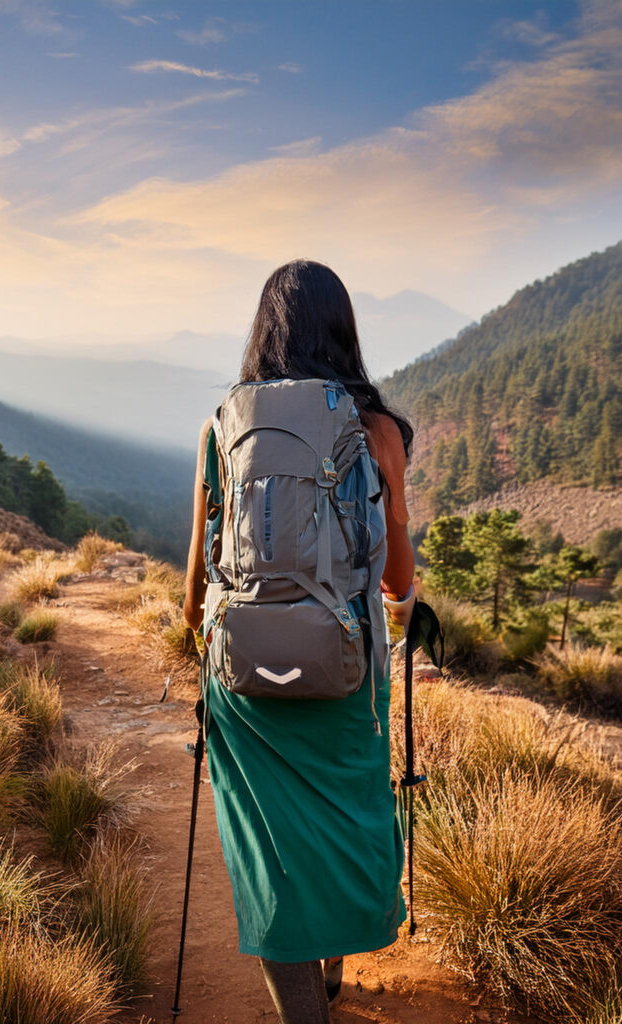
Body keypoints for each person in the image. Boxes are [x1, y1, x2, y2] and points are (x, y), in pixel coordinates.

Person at [182, 259, 417, 1024]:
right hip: (343, 670)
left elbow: (192, 600)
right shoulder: (377, 430)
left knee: (270, 852)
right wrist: (401, 597)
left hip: (242, 678)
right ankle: (334, 969)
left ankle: (302, 1014)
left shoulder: (222, 425)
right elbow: (394, 575)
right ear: (344, 330)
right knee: (345, 824)